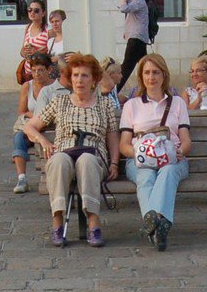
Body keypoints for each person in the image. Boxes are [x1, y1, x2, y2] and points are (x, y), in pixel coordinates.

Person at [23, 52, 120, 248]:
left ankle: (93, 222)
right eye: (75, 75)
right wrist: (43, 141)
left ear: (93, 79)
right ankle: (57, 221)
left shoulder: (105, 103)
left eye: (84, 75)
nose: (79, 80)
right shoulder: (61, 102)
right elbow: (29, 126)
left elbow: (112, 135)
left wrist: (115, 163)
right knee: (58, 161)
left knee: (86, 160)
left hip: (93, 155)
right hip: (65, 152)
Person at [121, 53, 191, 251]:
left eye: (156, 72)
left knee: (168, 172)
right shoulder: (131, 105)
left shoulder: (177, 103)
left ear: (164, 75)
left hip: (172, 158)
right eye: (147, 73)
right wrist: (141, 153)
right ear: (141, 76)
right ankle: (160, 223)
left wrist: (181, 152)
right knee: (145, 177)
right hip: (140, 159)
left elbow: (185, 140)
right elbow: (124, 144)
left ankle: (153, 221)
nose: (151, 77)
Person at [10, 52, 57, 194]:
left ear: (49, 70)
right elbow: (22, 111)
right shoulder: (27, 86)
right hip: (34, 124)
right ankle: (22, 178)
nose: (37, 74)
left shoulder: (55, 87)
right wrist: (38, 115)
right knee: (19, 137)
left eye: (41, 70)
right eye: (34, 70)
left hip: (51, 127)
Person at [117, 0, 149, 90]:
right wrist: (126, 32)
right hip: (136, 37)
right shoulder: (135, 1)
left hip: (136, 39)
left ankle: (114, 91)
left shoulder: (139, 1)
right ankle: (146, 90)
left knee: (126, 67)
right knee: (145, 66)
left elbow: (123, 9)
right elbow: (131, 18)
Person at [15, 0, 50, 84]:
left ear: (43, 13)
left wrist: (37, 52)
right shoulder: (28, 27)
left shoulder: (48, 30)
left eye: (36, 10)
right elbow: (22, 51)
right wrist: (24, 52)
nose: (32, 13)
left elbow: (52, 54)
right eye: (29, 10)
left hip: (42, 74)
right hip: (28, 72)